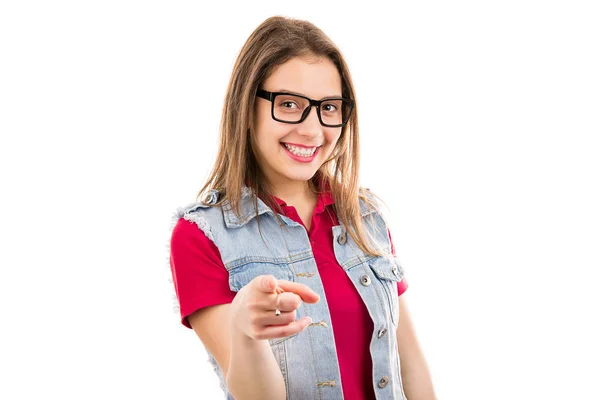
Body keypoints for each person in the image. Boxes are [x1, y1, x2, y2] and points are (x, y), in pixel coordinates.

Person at [168, 15, 436, 400]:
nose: (312, 130)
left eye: (328, 107)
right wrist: (245, 333)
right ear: (247, 106)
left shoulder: (365, 216)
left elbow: (411, 367)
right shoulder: (200, 237)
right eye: (289, 104)